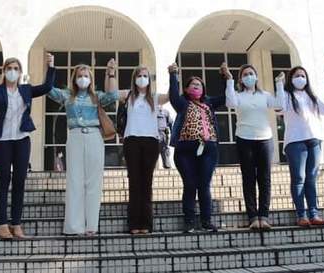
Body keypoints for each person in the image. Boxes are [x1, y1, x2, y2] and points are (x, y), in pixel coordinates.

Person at [0, 53, 55, 240]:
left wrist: (51, 66)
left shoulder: (25, 90)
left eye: (16, 69)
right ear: (4, 71)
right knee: (3, 179)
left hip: (22, 139)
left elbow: (47, 87)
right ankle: (2, 225)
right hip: (2, 141)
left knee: (20, 180)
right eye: (9, 68)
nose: (12, 72)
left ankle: (16, 224)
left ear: (20, 72)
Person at [48, 59, 118, 236]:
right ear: (74, 78)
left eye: (86, 76)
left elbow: (113, 95)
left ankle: (91, 226)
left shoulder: (97, 96)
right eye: (79, 75)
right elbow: (48, 90)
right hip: (75, 137)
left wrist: (110, 72)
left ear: (91, 79)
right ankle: (73, 226)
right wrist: (50, 67)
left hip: (95, 136)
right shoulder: (66, 95)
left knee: (94, 182)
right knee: (75, 181)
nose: (83, 78)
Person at [274, 66, 324, 227]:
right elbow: (279, 107)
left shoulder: (311, 96)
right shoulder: (287, 96)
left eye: (303, 75)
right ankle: (301, 214)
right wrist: (279, 85)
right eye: (296, 76)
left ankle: (314, 213)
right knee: (299, 178)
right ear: (290, 79)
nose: (300, 78)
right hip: (295, 141)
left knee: (311, 178)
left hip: (314, 140)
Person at [168, 62, 226, 233]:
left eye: (199, 85)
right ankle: (189, 221)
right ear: (186, 89)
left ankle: (206, 221)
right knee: (190, 183)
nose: (196, 87)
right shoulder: (182, 103)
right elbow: (173, 96)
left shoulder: (209, 103)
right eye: (193, 85)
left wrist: (224, 77)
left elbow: (224, 97)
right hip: (185, 151)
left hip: (208, 149)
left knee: (204, 184)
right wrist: (173, 75)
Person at [222, 63, 276, 230]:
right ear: (241, 79)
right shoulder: (238, 95)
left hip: (265, 139)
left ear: (257, 76)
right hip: (244, 138)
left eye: (251, 73)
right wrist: (229, 80)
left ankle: (264, 216)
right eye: (245, 74)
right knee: (249, 178)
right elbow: (230, 103)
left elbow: (280, 104)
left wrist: (279, 84)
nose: (249, 76)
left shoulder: (265, 95)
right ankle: (253, 217)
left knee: (264, 178)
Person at [118, 66, 169, 234]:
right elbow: (111, 92)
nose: (142, 78)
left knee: (146, 183)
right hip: (131, 140)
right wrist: (111, 72)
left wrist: (173, 75)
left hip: (151, 141)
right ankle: (134, 224)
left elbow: (171, 97)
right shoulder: (128, 96)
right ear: (134, 78)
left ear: (149, 79)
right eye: (139, 75)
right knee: (134, 182)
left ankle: (146, 224)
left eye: (145, 75)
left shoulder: (154, 98)